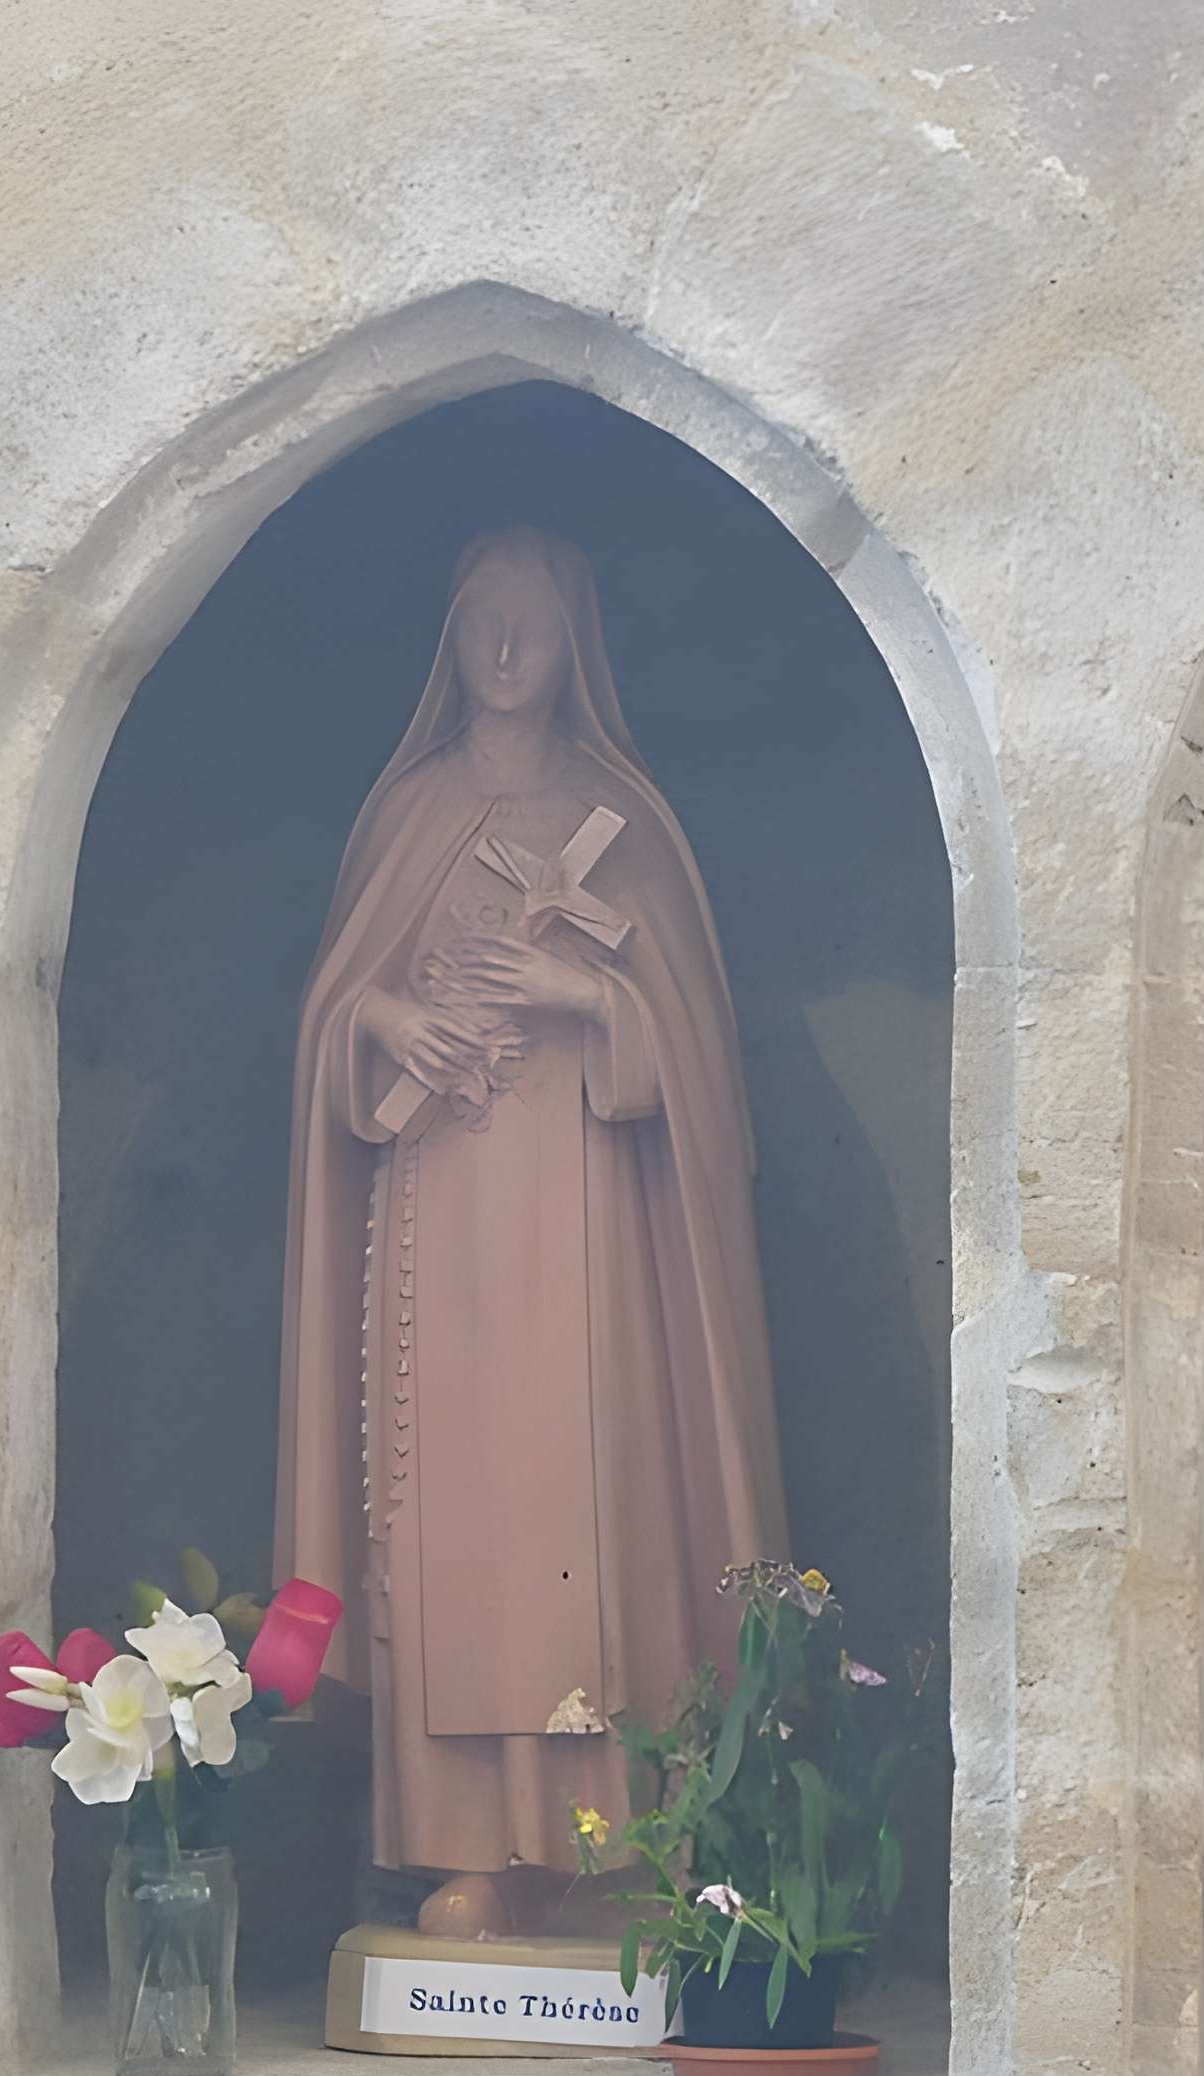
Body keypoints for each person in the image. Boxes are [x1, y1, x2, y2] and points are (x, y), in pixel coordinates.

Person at [274, 527, 786, 1940]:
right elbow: (333, 1015)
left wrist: (583, 995)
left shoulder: (624, 823)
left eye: (534, 624)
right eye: (484, 622)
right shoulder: (410, 813)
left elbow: (694, 1065)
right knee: (454, 1529)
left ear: (576, 647)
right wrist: (390, 1019)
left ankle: (629, 1840)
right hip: (439, 1216)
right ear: (453, 643)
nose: (506, 650)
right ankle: (473, 1843)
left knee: (593, 1512)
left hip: (595, 1231)